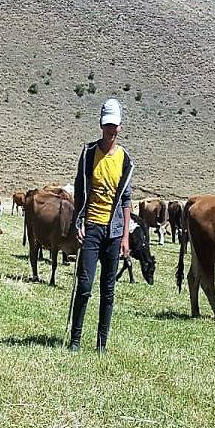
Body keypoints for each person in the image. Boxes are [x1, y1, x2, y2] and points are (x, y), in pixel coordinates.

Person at [68, 98, 133, 353]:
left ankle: (101, 345)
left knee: (108, 289)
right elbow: (79, 190)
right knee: (84, 286)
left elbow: (126, 200)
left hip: (114, 231)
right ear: (100, 124)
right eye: (107, 125)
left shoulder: (126, 160)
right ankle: (75, 340)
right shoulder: (88, 154)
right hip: (91, 227)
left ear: (120, 127)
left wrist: (125, 236)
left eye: (114, 126)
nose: (110, 130)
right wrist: (79, 221)